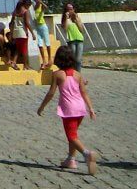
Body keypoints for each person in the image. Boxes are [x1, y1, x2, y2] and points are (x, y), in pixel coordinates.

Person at [37, 45, 98, 174]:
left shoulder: (57, 74)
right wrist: (91, 108)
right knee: (73, 135)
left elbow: (51, 93)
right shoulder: (78, 75)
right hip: (80, 108)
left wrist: (42, 107)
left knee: (71, 136)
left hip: (68, 109)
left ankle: (87, 154)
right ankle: (71, 159)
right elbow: (84, 93)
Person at [8, 0, 34, 70]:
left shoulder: (15, 11)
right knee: (24, 50)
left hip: (16, 32)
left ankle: (14, 62)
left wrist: (11, 33)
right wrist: (32, 33)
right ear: (26, 4)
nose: (29, 7)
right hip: (22, 32)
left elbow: (11, 23)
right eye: (29, 5)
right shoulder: (25, 11)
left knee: (18, 48)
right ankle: (25, 66)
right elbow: (27, 23)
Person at [61, 4, 85, 68]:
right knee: (73, 59)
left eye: (71, 9)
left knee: (78, 60)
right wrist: (66, 18)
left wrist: (76, 20)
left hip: (79, 39)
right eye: (68, 9)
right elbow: (65, 29)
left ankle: (78, 75)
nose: (70, 11)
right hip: (71, 40)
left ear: (74, 9)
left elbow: (82, 30)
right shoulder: (65, 19)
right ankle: (73, 73)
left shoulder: (77, 18)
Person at [33, 0, 52, 69]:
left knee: (47, 43)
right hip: (37, 27)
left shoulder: (41, 6)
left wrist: (41, 2)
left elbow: (46, 7)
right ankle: (44, 60)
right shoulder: (34, 7)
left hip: (43, 26)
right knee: (40, 44)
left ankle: (50, 58)